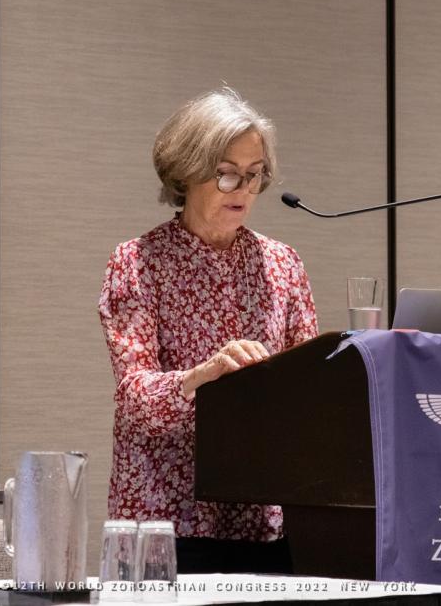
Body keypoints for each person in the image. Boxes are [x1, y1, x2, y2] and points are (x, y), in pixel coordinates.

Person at [98, 88, 318, 573]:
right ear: (185, 173)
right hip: (167, 524)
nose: (243, 188)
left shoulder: (283, 265)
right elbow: (136, 398)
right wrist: (202, 376)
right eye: (226, 174)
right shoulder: (138, 263)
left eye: (255, 174)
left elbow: (308, 392)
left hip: (264, 521)